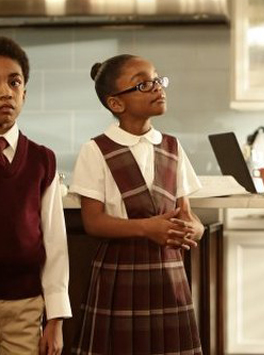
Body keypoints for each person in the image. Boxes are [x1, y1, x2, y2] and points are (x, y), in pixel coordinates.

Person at [69, 54, 205, 354]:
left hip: (169, 274)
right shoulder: (95, 149)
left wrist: (196, 230)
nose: (157, 87)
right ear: (116, 103)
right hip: (120, 274)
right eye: (143, 84)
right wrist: (147, 228)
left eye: (157, 79)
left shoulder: (172, 146)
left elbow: (187, 214)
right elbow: (93, 222)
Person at [0, 36, 71, 354]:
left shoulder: (43, 160)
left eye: (13, 82)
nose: (5, 92)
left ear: (24, 94)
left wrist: (55, 318)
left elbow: (55, 244)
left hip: (25, 304)